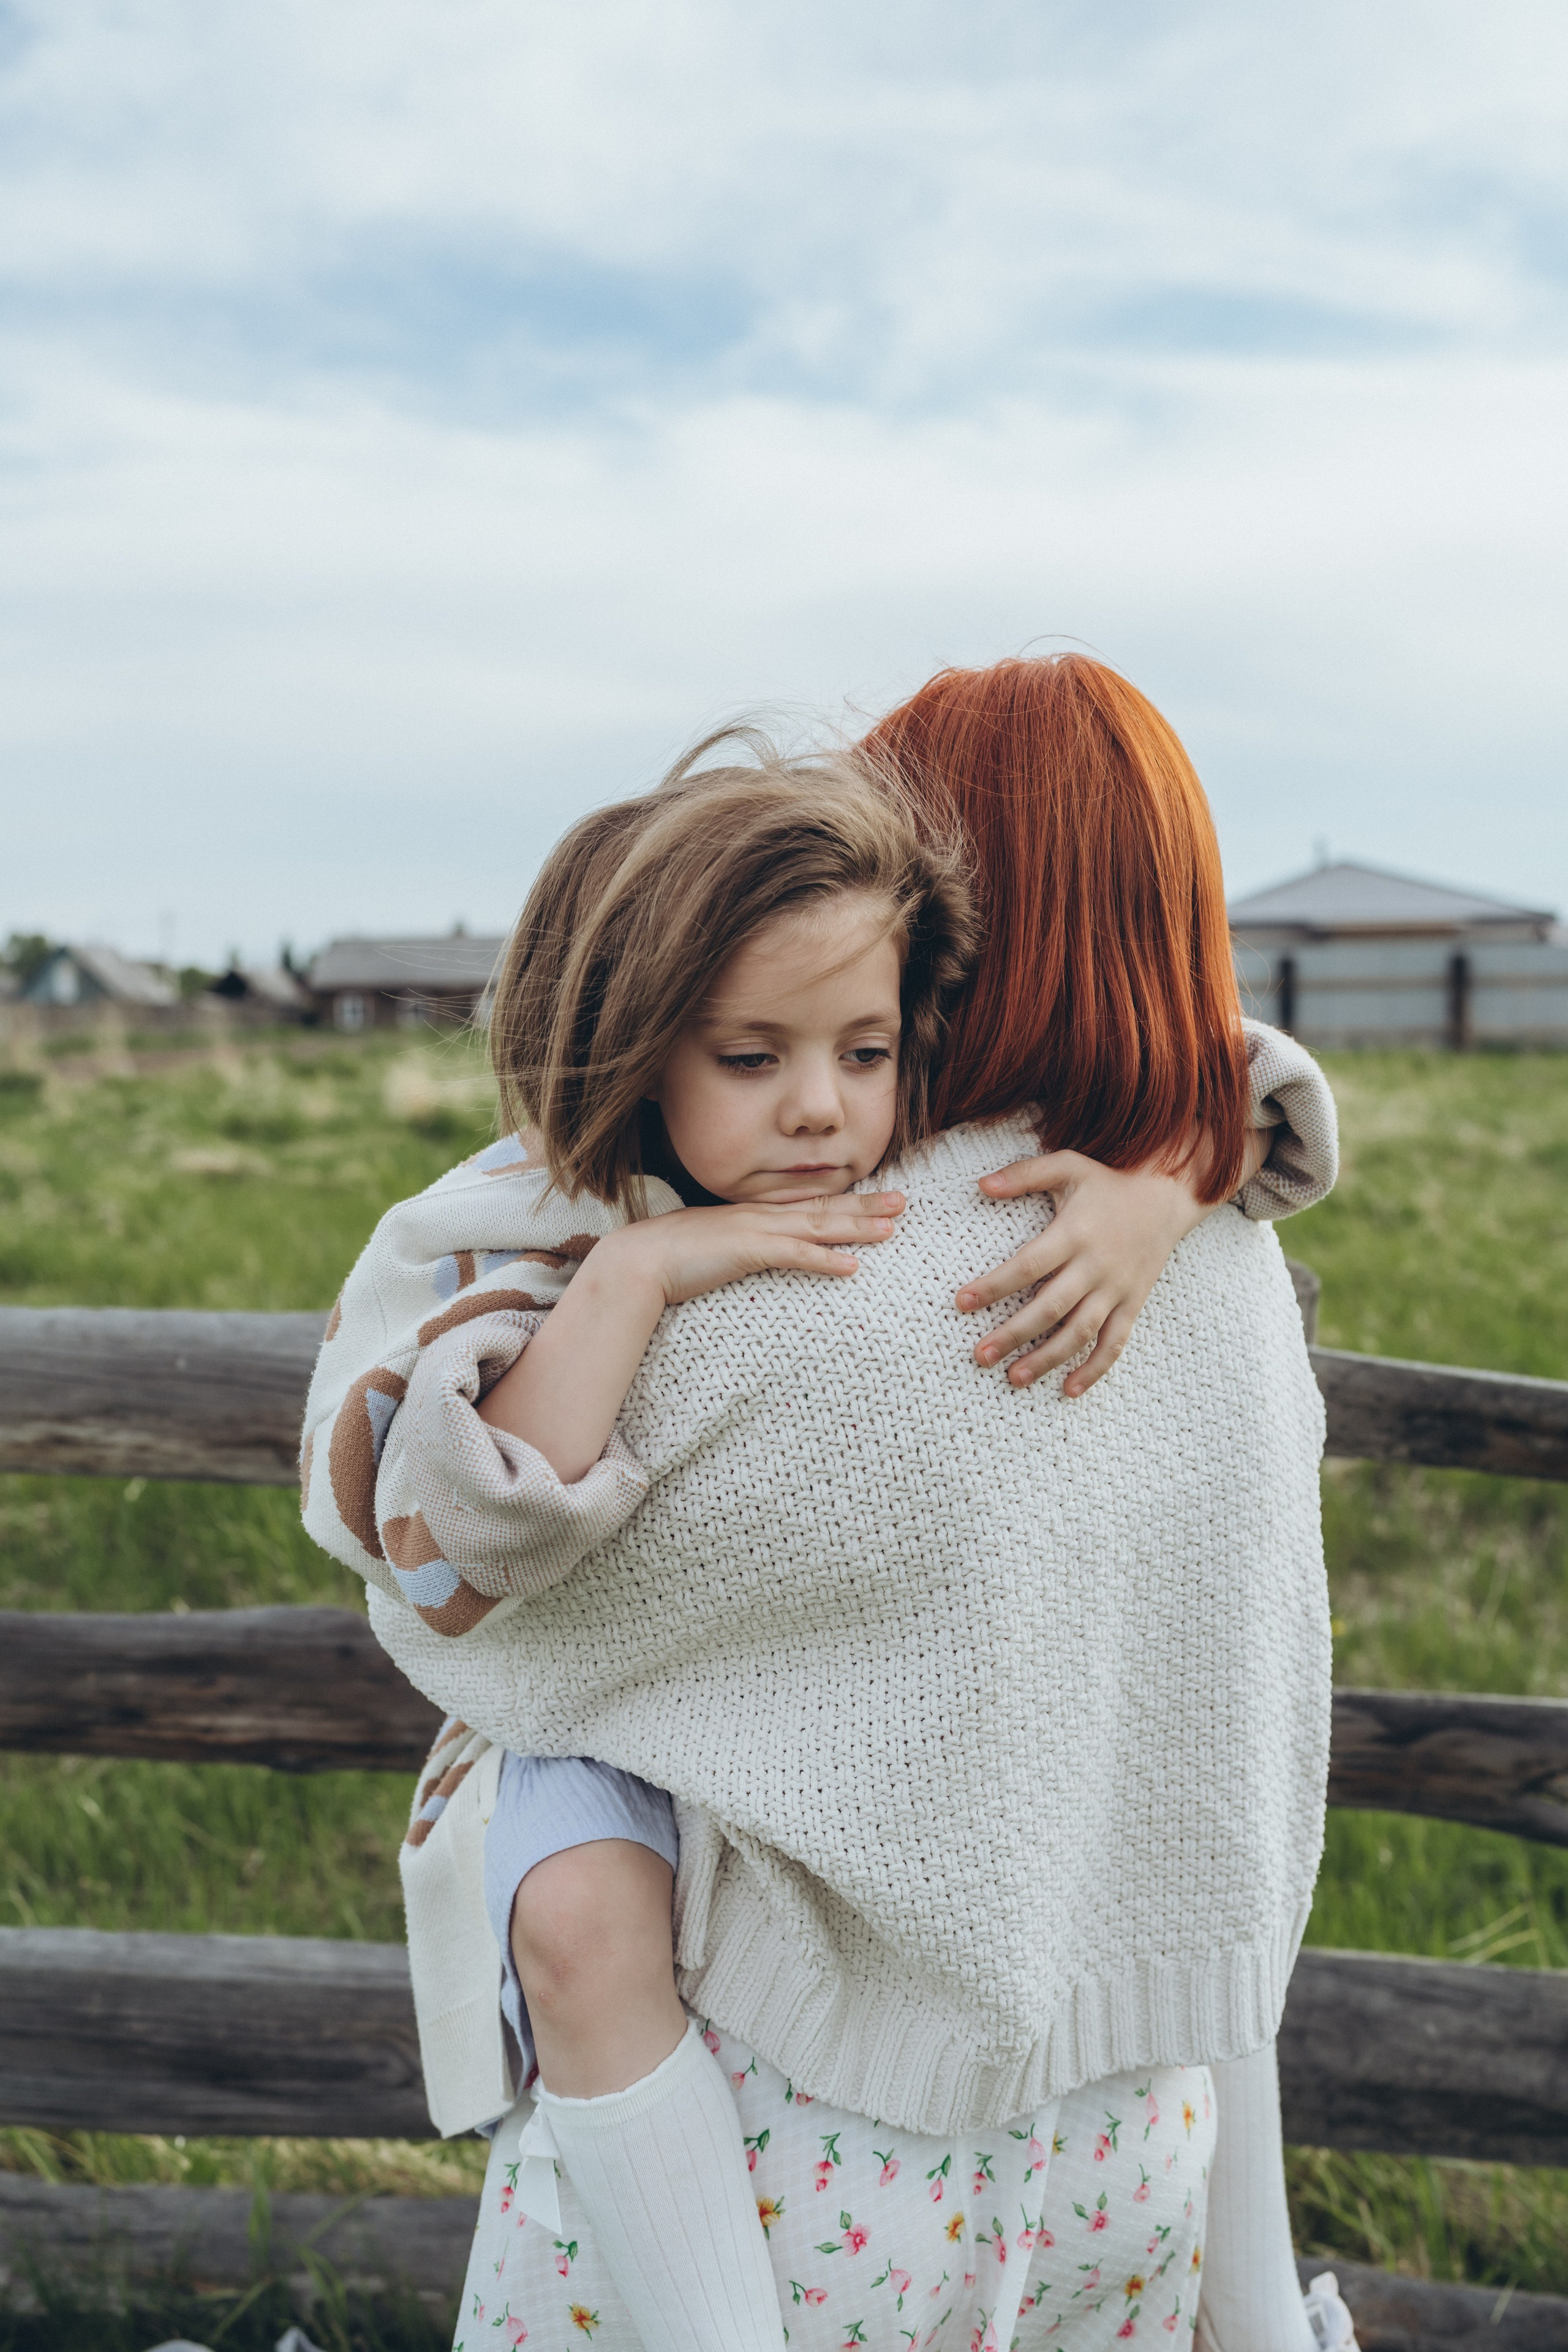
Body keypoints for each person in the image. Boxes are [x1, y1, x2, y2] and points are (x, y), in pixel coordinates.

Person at [302, 665, 1339, 2352]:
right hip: (1126, 2137)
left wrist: (1175, 1172)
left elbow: (473, 1624)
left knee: (574, 1899)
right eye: (758, 1051)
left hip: (819, 2148)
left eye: (866, 1045)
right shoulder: (592, 1199)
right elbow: (446, 1513)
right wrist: (1176, 1182)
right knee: (583, 1898)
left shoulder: (968, 1236)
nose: (817, 1101)